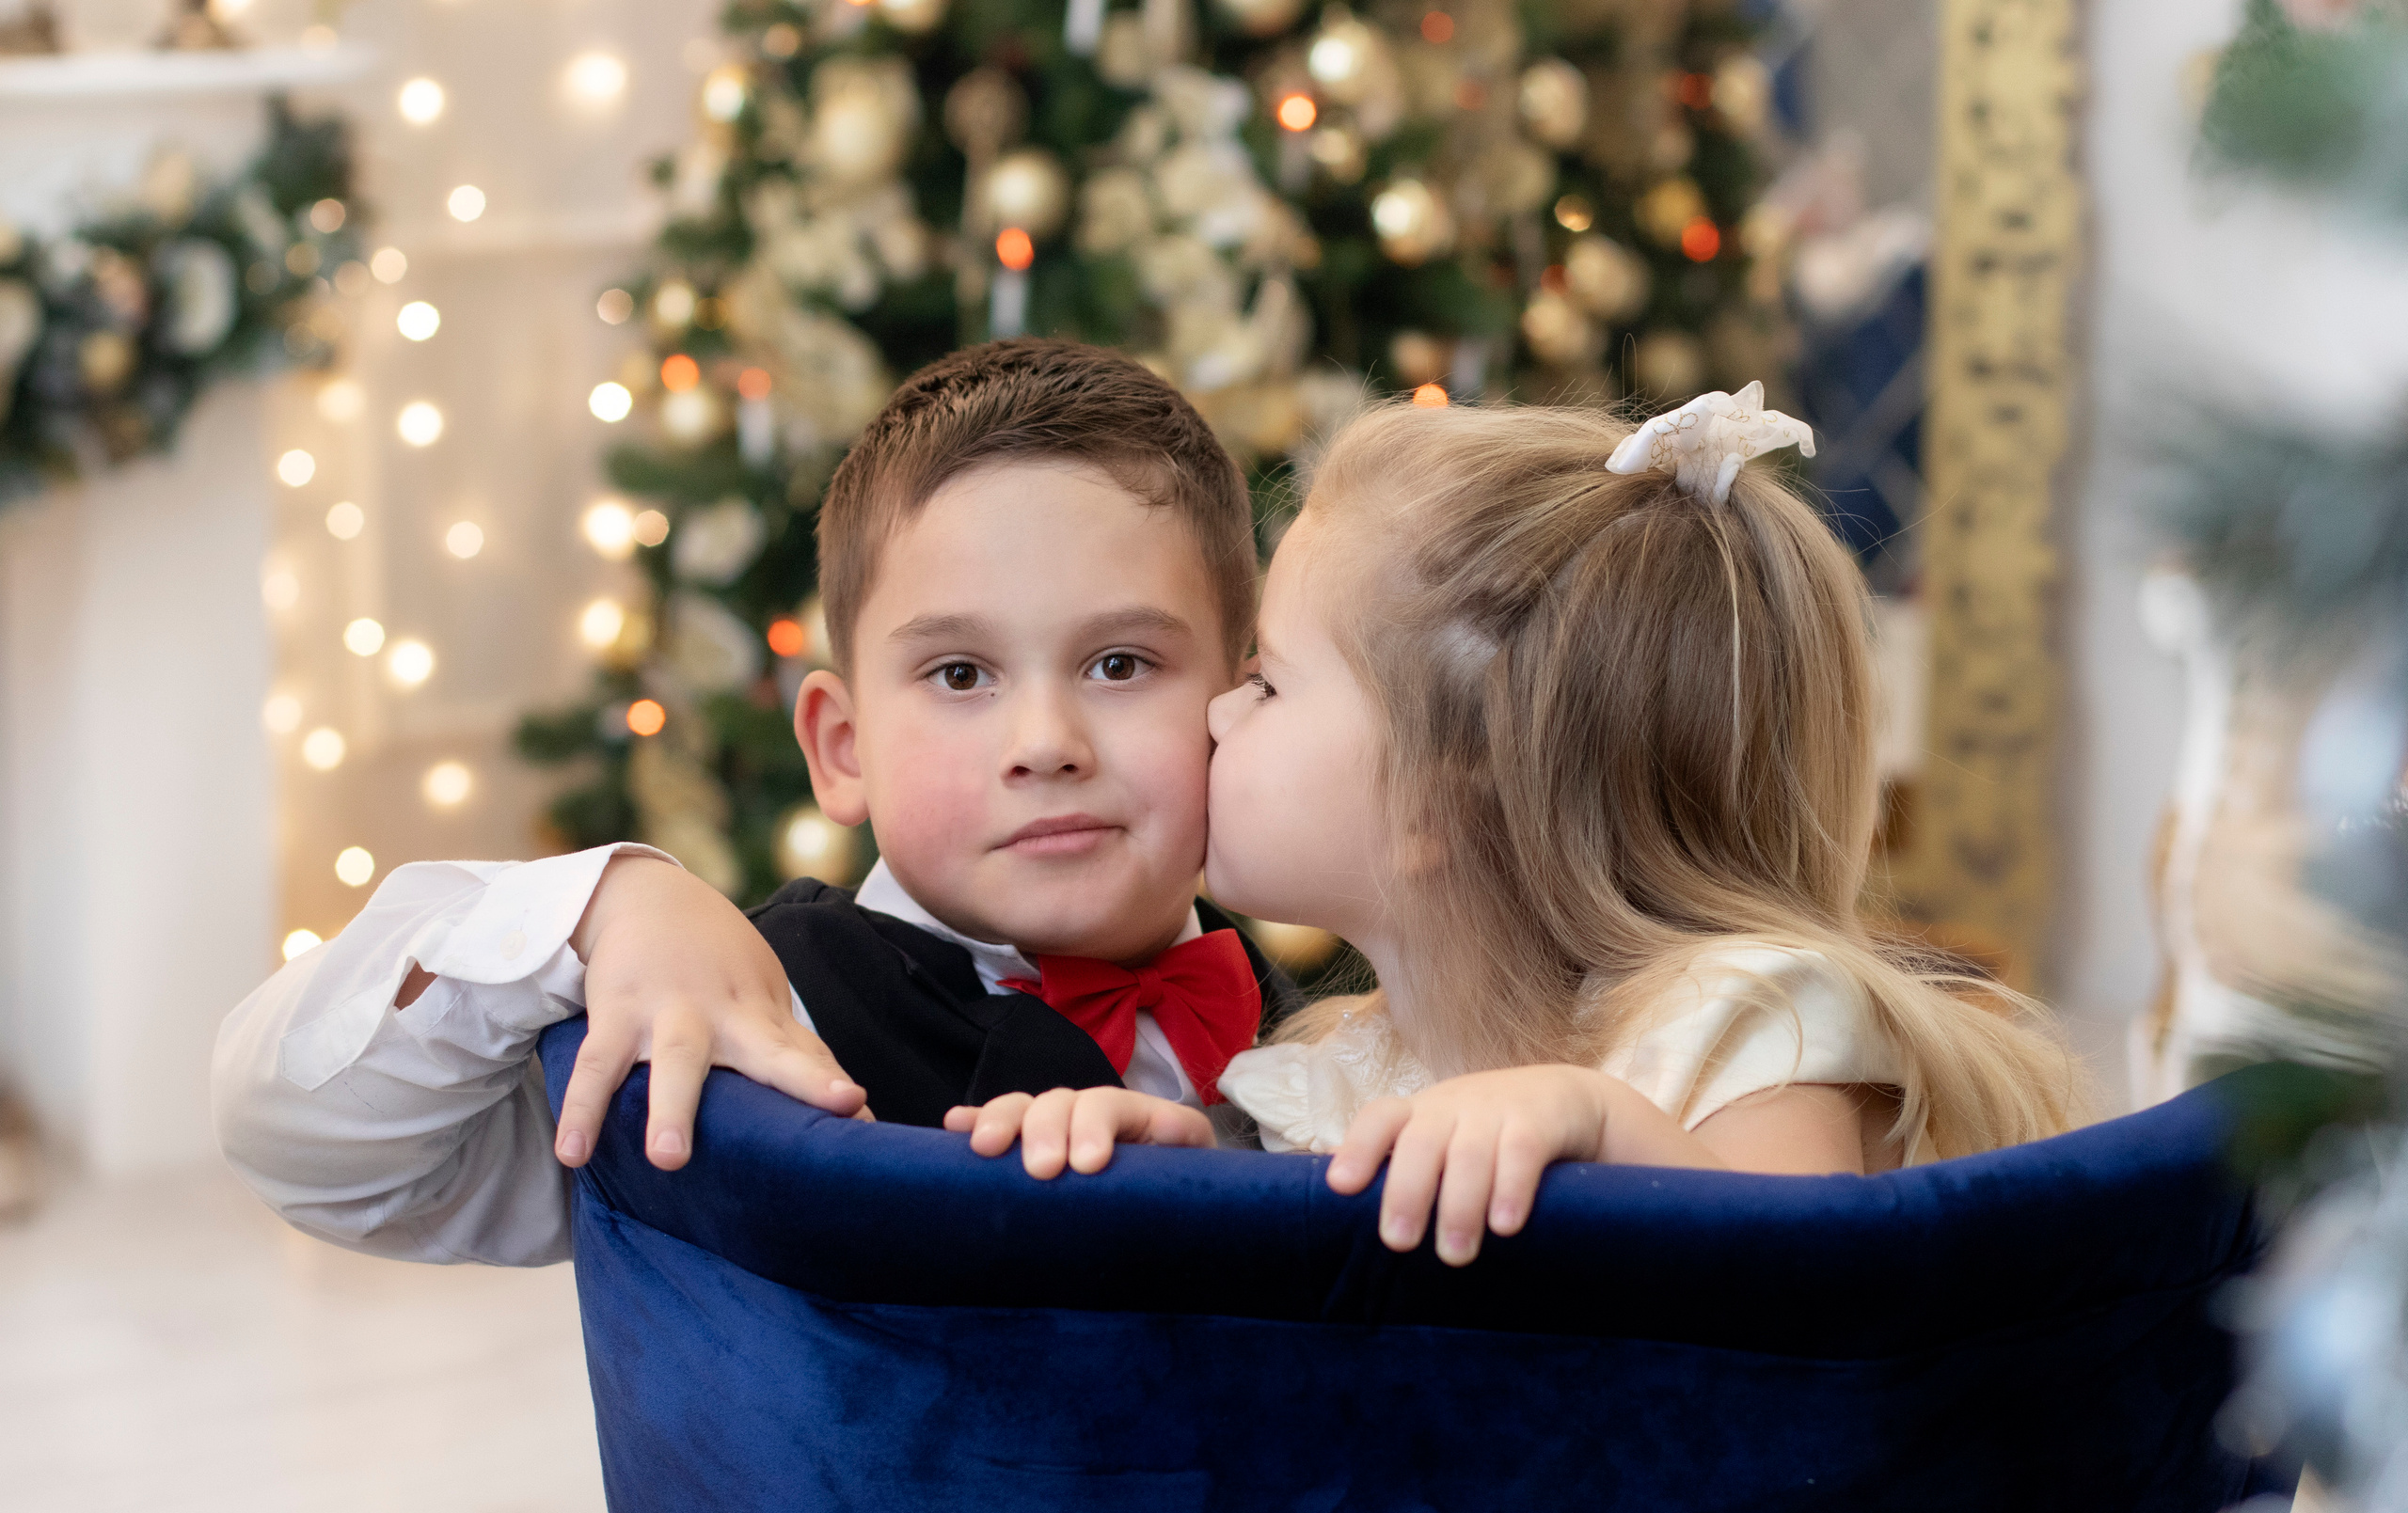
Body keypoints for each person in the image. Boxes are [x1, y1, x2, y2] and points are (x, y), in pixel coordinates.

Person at [953, 386, 2093, 1265]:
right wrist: (1188, 1185)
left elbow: (1802, 1336)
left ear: (1447, 792)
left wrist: (1603, 1129)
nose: (1213, 710)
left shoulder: (1748, 1019)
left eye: (1268, 681)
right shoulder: (1333, 1065)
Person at [212, 339, 1292, 1265]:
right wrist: (606, 907)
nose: (1046, 744)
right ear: (842, 748)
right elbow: (296, 1138)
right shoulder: (749, 1015)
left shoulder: (1319, 1026)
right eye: (960, 674)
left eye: (1119, 664)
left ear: (1243, 707)